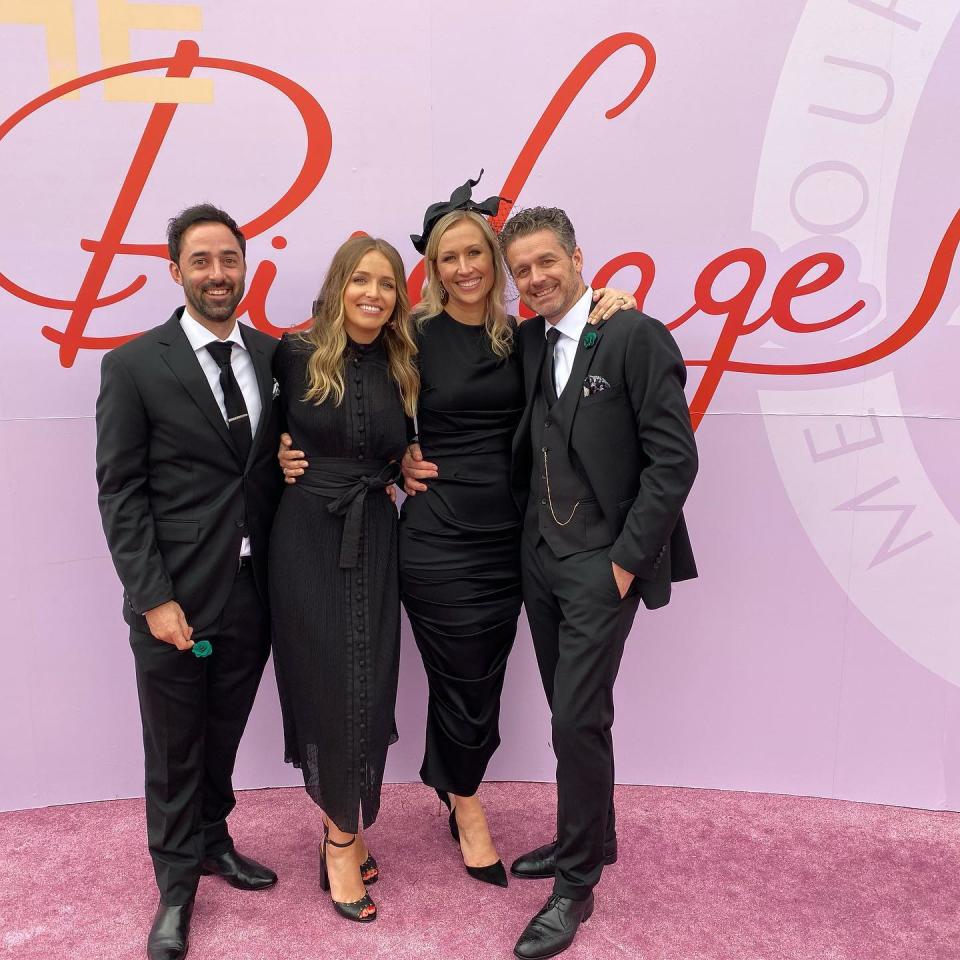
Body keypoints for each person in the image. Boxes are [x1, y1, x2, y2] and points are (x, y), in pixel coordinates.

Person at [280, 175, 636, 889]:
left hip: (514, 539)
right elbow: (348, 397)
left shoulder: (527, 337)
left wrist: (613, 304)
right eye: (449, 257)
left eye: (477, 253)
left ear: (495, 264)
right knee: (460, 678)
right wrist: (308, 455)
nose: (465, 267)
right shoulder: (408, 340)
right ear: (434, 270)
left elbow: (582, 342)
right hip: (437, 540)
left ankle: (454, 785)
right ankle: (467, 803)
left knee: (487, 682)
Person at [491, 206, 698, 959]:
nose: (537, 278)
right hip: (539, 556)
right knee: (571, 709)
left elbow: (674, 461)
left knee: (575, 718)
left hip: (600, 560)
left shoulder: (635, 336)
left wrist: (623, 561)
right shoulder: (528, 341)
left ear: (580, 258)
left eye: (548, 262)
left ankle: (575, 885)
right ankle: (596, 836)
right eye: (524, 272)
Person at [95, 204, 283, 960]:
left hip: (255, 590)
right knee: (173, 747)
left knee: (225, 731)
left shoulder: (277, 356)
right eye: (200, 261)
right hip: (173, 596)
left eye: (228, 260)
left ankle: (213, 839)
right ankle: (176, 888)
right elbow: (121, 491)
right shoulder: (135, 364)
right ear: (175, 270)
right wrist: (152, 597)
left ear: (245, 268)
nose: (217, 274)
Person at [268, 236, 418, 923]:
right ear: (338, 285)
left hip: (376, 533)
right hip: (306, 537)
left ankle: (346, 819)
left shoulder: (405, 359)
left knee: (371, 680)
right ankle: (338, 839)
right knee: (325, 680)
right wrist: (275, 452)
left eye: (386, 284)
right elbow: (252, 433)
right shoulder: (293, 353)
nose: (373, 293)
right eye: (361, 279)